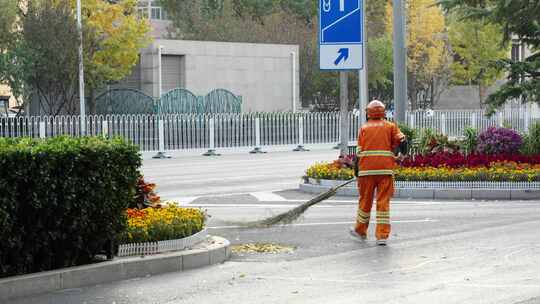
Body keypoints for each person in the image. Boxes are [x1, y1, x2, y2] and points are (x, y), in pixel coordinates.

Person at [350, 100, 407, 246]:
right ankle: (382, 236)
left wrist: (357, 171)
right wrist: (402, 154)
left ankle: (360, 231)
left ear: (368, 113)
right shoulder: (390, 126)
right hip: (385, 171)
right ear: (383, 112)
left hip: (366, 172)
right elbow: (403, 141)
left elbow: (358, 153)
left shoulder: (364, 128)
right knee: (383, 203)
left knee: (365, 201)